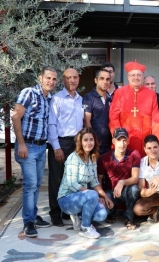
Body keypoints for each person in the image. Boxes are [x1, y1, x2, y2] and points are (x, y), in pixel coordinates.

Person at [12, 66, 57, 237]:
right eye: (48, 78)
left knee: (37, 184)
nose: (51, 82)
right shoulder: (29, 93)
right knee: (30, 184)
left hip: (40, 147)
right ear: (40, 77)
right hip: (28, 146)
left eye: (54, 79)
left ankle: (33, 214)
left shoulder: (49, 98)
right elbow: (16, 117)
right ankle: (28, 221)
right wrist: (21, 144)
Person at [57, 127, 114, 239]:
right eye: (85, 140)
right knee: (92, 194)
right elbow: (72, 183)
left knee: (102, 214)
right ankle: (85, 228)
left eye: (91, 139)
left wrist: (105, 197)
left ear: (95, 141)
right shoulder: (74, 158)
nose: (89, 143)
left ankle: (78, 216)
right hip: (66, 199)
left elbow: (95, 182)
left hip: (82, 197)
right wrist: (93, 195)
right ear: (80, 142)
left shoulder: (92, 158)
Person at [47, 68, 84, 227]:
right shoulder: (57, 99)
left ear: (78, 79)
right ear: (63, 80)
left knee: (72, 179)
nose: (72, 80)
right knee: (56, 179)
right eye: (69, 78)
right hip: (61, 143)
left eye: (75, 77)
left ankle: (66, 210)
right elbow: (51, 124)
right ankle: (55, 213)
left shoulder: (81, 99)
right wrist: (56, 147)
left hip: (76, 143)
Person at [109, 61, 159, 157]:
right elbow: (113, 117)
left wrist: (156, 141)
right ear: (128, 77)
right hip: (125, 138)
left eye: (138, 75)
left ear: (142, 76)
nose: (136, 78)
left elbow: (156, 120)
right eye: (133, 75)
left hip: (145, 139)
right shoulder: (119, 93)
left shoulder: (151, 94)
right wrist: (118, 138)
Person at [97, 127, 140, 230]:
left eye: (124, 140)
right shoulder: (104, 158)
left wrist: (122, 182)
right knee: (100, 214)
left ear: (128, 141)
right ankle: (112, 211)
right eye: (119, 140)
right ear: (113, 141)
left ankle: (129, 217)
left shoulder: (134, 154)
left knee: (134, 189)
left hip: (126, 191)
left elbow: (135, 178)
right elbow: (98, 181)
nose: (122, 144)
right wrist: (102, 196)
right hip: (110, 193)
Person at [83, 69, 112, 155]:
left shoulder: (111, 98)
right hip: (96, 146)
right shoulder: (89, 98)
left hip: (109, 144)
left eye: (107, 79)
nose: (105, 81)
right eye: (102, 78)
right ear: (96, 80)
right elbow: (86, 121)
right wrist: (92, 142)